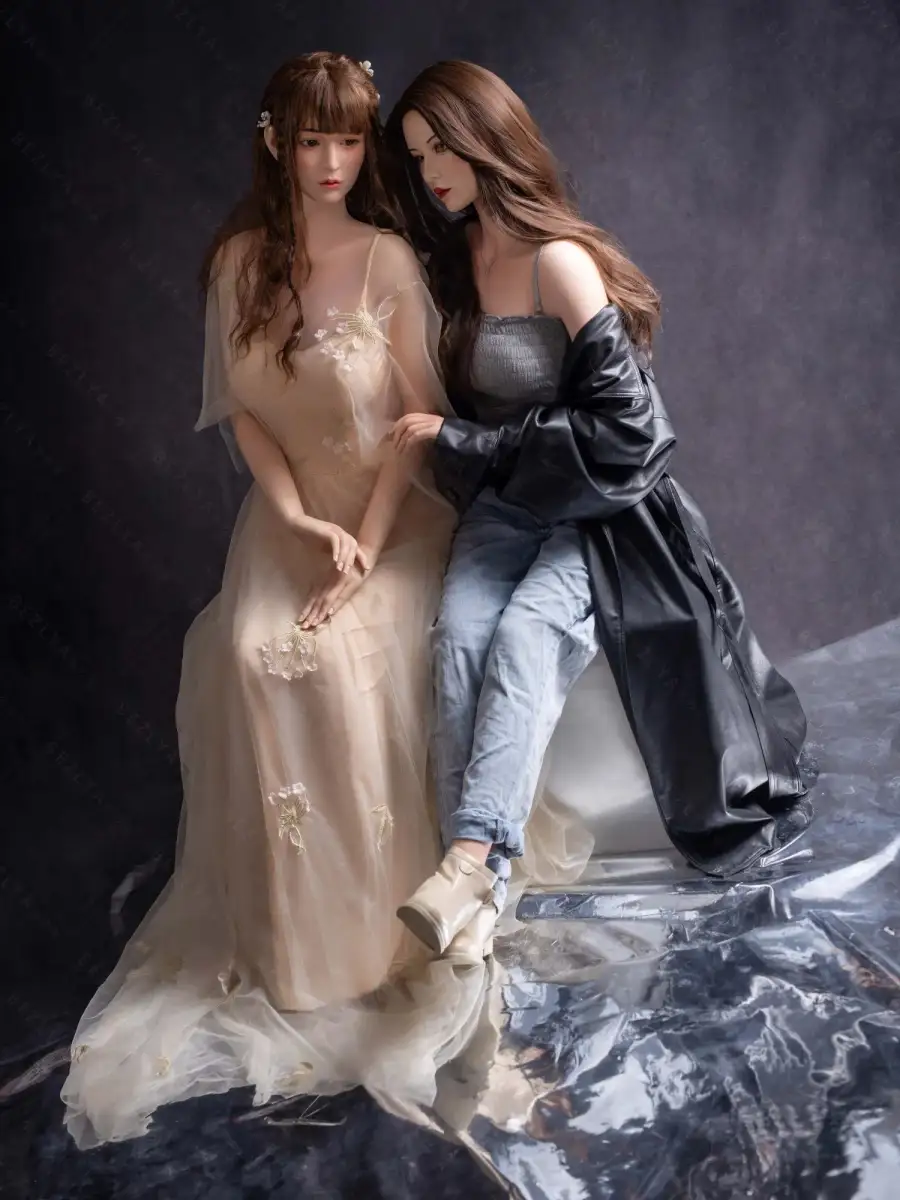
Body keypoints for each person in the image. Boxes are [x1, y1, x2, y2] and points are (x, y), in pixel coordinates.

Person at [60, 52, 483, 1149]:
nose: (333, 162)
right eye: (311, 141)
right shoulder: (240, 261)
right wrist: (298, 523)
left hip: (392, 522)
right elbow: (247, 413)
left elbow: (414, 428)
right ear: (276, 145)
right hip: (293, 524)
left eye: (348, 140)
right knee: (254, 655)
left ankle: (382, 941)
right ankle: (300, 951)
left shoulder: (388, 257)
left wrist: (366, 548)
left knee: (340, 663)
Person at [384, 61, 812, 962]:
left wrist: (467, 443)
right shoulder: (453, 264)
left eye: (443, 147)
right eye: (418, 155)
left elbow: (633, 432)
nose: (432, 172)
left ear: (487, 139)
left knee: (527, 633)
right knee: (458, 637)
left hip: (600, 515)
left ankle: (471, 865)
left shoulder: (560, 264)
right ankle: (473, 893)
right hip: (506, 509)